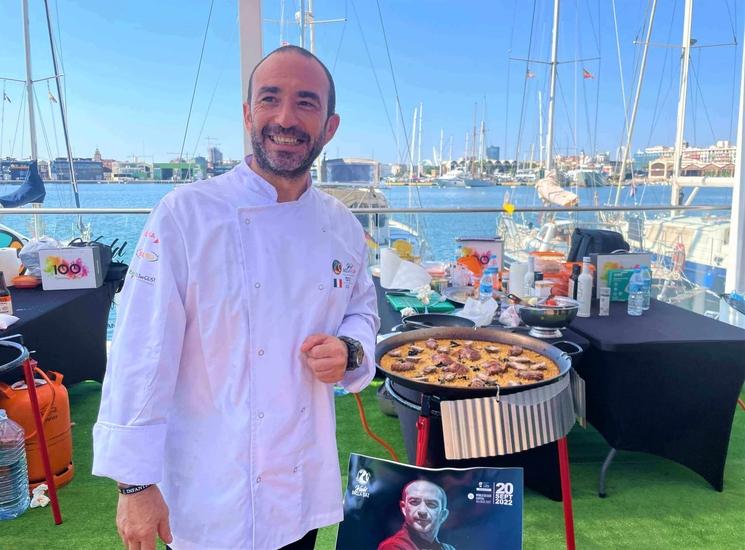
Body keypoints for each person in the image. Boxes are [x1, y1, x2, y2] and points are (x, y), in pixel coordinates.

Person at [92, 45, 379, 550]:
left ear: (330, 127)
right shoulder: (186, 215)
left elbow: (363, 311)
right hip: (210, 488)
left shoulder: (343, 227)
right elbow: (141, 353)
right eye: (270, 99)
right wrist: (134, 483)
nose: (285, 118)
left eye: (306, 103)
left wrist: (351, 350)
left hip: (297, 480)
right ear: (248, 114)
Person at [378, 480, 455, 550]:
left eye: (431, 504)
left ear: (442, 515)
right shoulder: (392, 547)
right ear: (403, 508)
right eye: (414, 502)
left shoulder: (449, 549)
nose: (422, 511)